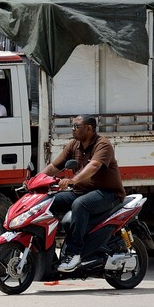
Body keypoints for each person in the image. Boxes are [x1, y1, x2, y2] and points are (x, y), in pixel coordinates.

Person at [40, 115, 126, 272]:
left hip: (107, 194)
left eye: (76, 126)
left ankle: (74, 254)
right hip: (82, 192)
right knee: (47, 200)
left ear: (89, 128)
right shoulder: (74, 144)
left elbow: (93, 166)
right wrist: (36, 180)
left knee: (80, 204)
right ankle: (47, 253)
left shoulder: (103, 144)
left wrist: (73, 180)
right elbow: (54, 166)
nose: (73, 129)